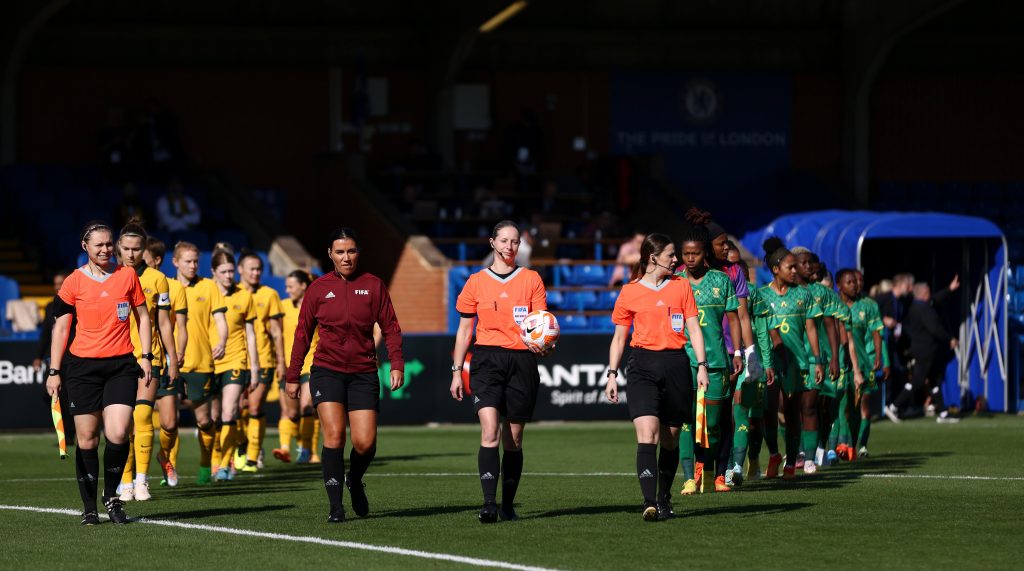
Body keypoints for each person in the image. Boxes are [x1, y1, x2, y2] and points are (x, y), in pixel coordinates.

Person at [287, 228, 404, 523]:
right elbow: (302, 334)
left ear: (358, 253)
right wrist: (292, 375)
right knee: (335, 435)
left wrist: (397, 363)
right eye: (339, 252)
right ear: (330, 254)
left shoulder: (374, 285)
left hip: (364, 373)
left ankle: (355, 478)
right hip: (327, 371)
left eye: (351, 251)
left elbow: (391, 327)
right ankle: (336, 507)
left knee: (365, 443)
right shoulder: (317, 289)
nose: (346, 257)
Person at [45, 221, 152, 525]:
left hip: (121, 366)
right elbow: (61, 329)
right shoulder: (73, 282)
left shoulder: (127, 275)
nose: (105, 249)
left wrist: (146, 356)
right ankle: (90, 507)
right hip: (83, 369)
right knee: (88, 439)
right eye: (98, 245)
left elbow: (143, 317)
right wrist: (54, 370)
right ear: (85, 246)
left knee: (118, 433)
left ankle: (112, 497)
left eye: (108, 244)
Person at [604, 232, 707, 521]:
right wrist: (611, 374)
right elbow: (619, 338)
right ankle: (649, 502)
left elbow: (694, 328)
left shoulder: (681, 286)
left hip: (676, 364)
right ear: (653, 258)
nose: (676, 260)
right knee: (647, 433)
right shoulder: (629, 292)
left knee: (670, 439)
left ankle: (664, 498)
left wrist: (702, 365)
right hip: (642, 366)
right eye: (671, 255)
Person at [449, 221, 546, 523]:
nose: (509, 246)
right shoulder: (476, 282)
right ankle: (489, 504)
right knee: (490, 431)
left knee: (513, 439)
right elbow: (465, 330)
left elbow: (541, 324)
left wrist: (545, 343)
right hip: (486, 361)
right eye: (503, 240)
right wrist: (456, 371)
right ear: (492, 243)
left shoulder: (531, 279)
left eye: (514, 241)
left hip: (522, 362)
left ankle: (507, 506)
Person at [113, 219, 181, 502]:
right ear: (118, 247)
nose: (131, 254)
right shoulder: (110, 275)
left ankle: (141, 481)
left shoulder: (157, 279)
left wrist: (173, 359)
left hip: (148, 357)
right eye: (126, 248)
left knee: (142, 415)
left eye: (137, 249)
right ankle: (125, 481)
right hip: (116, 357)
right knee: (122, 424)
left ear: (144, 250)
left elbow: (163, 323)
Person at [674, 225, 742, 494]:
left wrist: (738, 352)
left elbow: (734, 319)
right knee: (686, 421)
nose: (690, 258)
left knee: (713, 424)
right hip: (683, 359)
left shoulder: (721, 280)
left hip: (716, 361)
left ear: (705, 254)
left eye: (695, 253)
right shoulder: (675, 281)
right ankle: (690, 477)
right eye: (686, 253)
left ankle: (711, 468)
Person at [759, 237, 823, 479]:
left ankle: (792, 462)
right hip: (769, 362)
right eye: (791, 267)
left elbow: (811, 329)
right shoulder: (761, 295)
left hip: (796, 362)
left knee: (793, 412)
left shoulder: (803, 295)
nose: (795, 271)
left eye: (796, 266)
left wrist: (817, 359)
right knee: (769, 411)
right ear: (776, 269)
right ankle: (774, 454)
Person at [174, 241, 228, 484]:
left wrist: (222, 341)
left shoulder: (209, 286)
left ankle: (207, 463)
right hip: (171, 363)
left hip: (201, 361)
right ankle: (168, 466)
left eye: (196, 261)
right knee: (168, 420)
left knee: (204, 420)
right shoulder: (168, 287)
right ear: (176, 262)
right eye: (188, 261)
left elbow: (220, 320)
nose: (193, 265)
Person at [208, 249, 261, 481]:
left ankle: (223, 464)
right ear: (213, 272)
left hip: (236, 359)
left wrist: (254, 367)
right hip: (208, 361)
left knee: (229, 410)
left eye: (231, 271)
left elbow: (250, 334)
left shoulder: (244, 296)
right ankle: (217, 458)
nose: (229, 276)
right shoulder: (205, 293)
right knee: (212, 416)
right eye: (224, 272)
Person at [236, 251, 286, 472]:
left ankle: (253, 456)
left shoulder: (270, 294)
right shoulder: (232, 293)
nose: (256, 273)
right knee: (237, 409)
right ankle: (242, 443)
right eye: (252, 269)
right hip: (237, 360)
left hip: (264, 360)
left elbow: (276, 332)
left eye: (259, 269)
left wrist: (281, 362)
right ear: (240, 270)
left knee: (255, 406)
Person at [143, 237, 188, 486]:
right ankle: (133, 477)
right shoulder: (129, 281)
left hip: (164, 358)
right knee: (136, 422)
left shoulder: (174, 287)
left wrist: (176, 356)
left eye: (143, 256)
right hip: (138, 360)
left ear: (157, 260)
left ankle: (164, 456)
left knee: (169, 423)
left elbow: (178, 326)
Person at [791, 248, 839, 471]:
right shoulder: (784, 293)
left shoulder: (821, 292)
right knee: (792, 408)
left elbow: (831, 326)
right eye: (804, 263)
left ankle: (813, 451)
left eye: (811, 262)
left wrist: (834, 357)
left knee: (815, 406)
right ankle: (798, 451)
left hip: (815, 358)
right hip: (791, 358)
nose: (809, 266)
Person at [885, 282, 960, 424]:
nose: (930, 295)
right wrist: (949, 339)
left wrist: (949, 289)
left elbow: (936, 299)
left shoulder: (915, 306)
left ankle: (943, 413)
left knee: (934, 380)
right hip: (925, 350)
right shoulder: (924, 309)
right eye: (928, 292)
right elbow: (935, 328)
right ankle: (893, 406)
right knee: (918, 380)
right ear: (924, 293)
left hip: (921, 349)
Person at [276, 270, 321, 464]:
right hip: (289, 366)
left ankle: (308, 450)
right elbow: (275, 335)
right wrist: (279, 362)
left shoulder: (317, 307)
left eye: (291, 286)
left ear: (303, 286)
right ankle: (290, 448)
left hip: (312, 364)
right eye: (286, 286)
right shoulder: (282, 307)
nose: (287, 290)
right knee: (291, 413)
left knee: (307, 406)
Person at [833, 269, 870, 460]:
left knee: (856, 409)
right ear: (839, 285)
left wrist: (859, 369)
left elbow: (853, 341)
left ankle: (853, 445)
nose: (854, 285)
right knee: (839, 405)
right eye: (850, 282)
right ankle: (837, 446)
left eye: (856, 282)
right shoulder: (833, 305)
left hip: (859, 365)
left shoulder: (867, 305)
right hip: (836, 364)